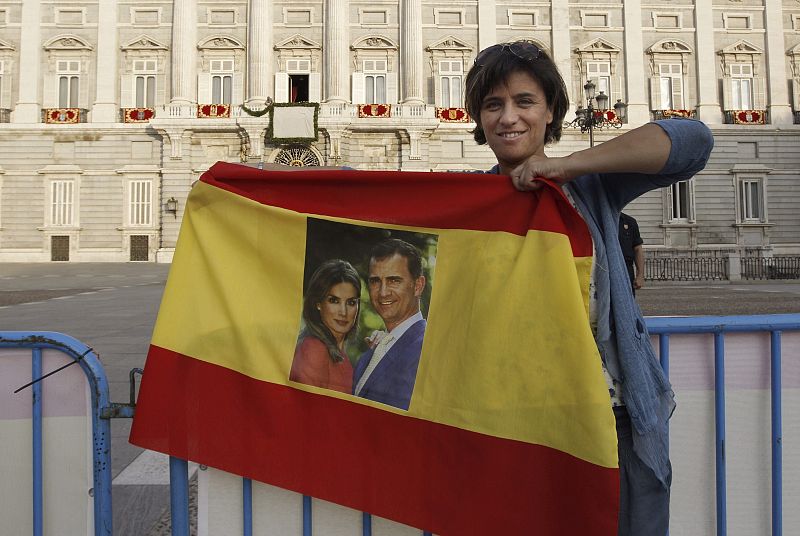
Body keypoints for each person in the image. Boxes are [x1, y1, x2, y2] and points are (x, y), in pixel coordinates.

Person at [464, 40, 713, 535]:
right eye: (493, 104)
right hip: (514, 420)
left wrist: (570, 165)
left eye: (524, 101)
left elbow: (694, 142)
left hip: (612, 415)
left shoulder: (589, 188)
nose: (508, 117)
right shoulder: (468, 199)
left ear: (550, 110)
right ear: (479, 118)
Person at [352, 239, 427, 410]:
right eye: (375, 281)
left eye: (394, 280)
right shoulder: (367, 357)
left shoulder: (428, 350)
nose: (383, 292)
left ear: (418, 286)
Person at [290, 259, 361, 394]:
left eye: (351, 302)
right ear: (318, 303)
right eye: (334, 301)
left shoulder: (340, 355)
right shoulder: (314, 349)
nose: (343, 312)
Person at [619, 212, 645, 294]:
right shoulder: (599, 220)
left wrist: (640, 275)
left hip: (626, 269)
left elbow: (638, 249)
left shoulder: (630, 222)